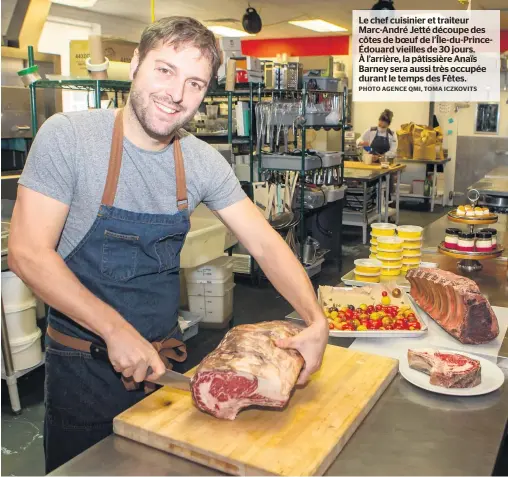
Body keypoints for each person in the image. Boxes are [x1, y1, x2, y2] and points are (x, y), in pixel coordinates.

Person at [8, 16, 329, 473]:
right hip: (85, 371)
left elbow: (264, 241)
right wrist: (115, 331)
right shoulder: (70, 137)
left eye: (195, 83)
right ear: (136, 63)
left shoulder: (200, 161)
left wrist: (315, 318)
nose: (177, 94)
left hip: (162, 365)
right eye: (164, 70)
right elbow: (27, 252)